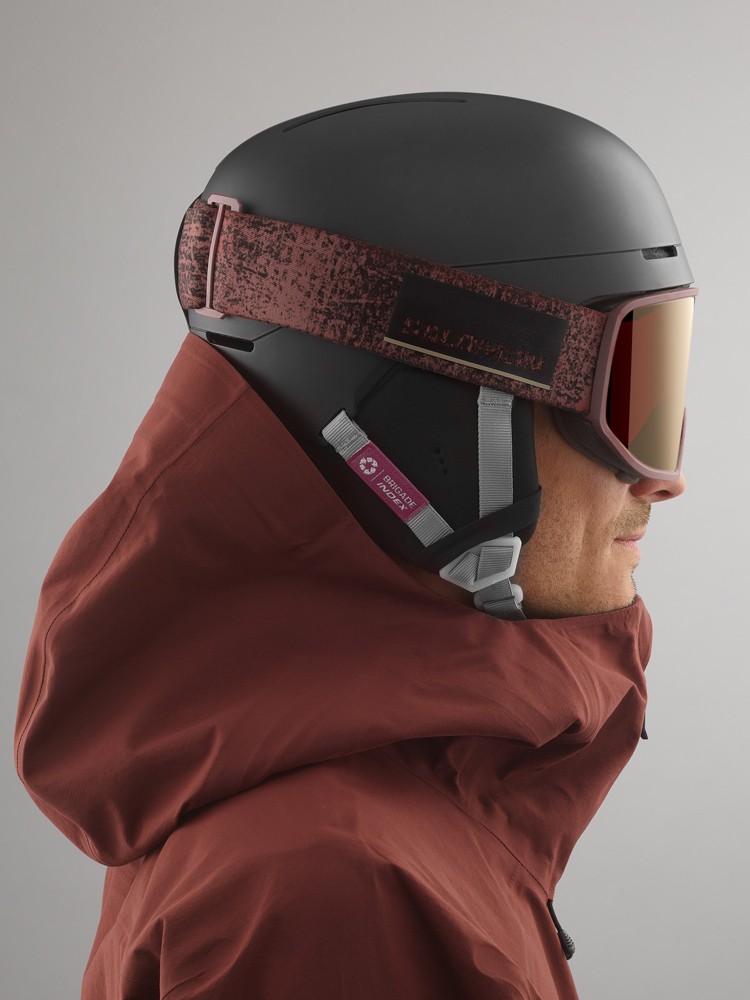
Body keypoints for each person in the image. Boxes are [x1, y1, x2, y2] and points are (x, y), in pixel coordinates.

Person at [14, 92, 696, 999]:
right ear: (432, 435)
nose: (661, 480)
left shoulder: (353, 798)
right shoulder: (336, 888)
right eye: (624, 399)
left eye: (664, 384)